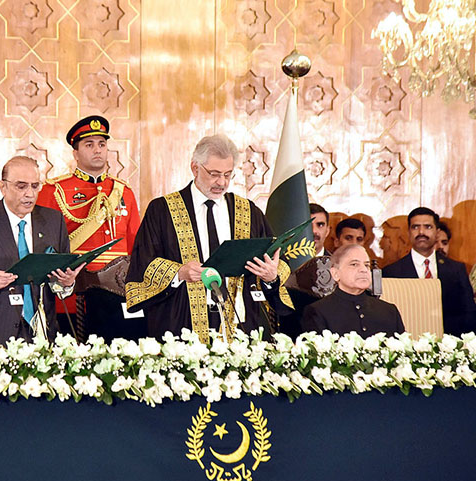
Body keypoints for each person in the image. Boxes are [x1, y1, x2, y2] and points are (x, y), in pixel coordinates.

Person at [125, 134, 293, 343]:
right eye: (214, 174)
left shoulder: (248, 212)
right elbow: (143, 263)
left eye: (228, 175)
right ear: (195, 168)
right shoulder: (162, 210)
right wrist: (178, 273)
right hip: (180, 322)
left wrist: (270, 277)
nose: (221, 182)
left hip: (238, 324)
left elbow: (276, 260)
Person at [0, 156, 84, 343]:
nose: (30, 194)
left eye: (35, 186)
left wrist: (66, 283)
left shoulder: (53, 221)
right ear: (3, 187)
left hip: (42, 335)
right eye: (21, 186)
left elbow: (57, 281)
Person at [36, 115, 141, 332]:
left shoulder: (124, 192)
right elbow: (45, 248)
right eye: (89, 144)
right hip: (75, 296)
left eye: (102, 144)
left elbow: (135, 247)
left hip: (118, 294)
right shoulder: (54, 191)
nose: (97, 150)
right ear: (75, 153)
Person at [382, 207, 476, 335]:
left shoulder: (456, 269)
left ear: (437, 232)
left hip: (449, 345)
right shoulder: (391, 272)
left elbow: (469, 313)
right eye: (415, 227)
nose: (421, 232)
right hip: (407, 345)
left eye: (428, 227)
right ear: (408, 232)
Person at [302, 245, 404, 337]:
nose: (363, 270)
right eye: (354, 264)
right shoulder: (317, 312)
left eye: (367, 265)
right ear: (335, 273)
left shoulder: (390, 311)